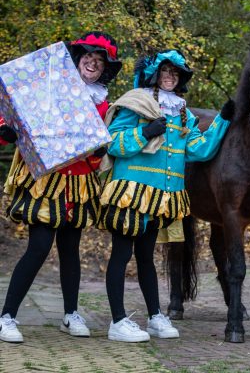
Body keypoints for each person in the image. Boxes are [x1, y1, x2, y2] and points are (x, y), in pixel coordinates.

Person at [100, 49, 234, 342]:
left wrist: (222, 120)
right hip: (131, 193)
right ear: (155, 75)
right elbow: (113, 144)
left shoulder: (181, 111)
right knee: (121, 256)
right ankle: (117, 321)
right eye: (165, 72)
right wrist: (145, 133)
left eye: (175, 73)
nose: (170, 77)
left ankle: (154, 317)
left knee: (146, 257)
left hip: (160, 197)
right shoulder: (136, 102)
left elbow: (199, 149)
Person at [0, 31, 122, 343]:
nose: (92, 64)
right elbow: (17, 112)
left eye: (98, 61)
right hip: (47, 179)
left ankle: (70, 314)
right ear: (78, 60)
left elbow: (97, 152)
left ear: (103, 68)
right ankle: (6, 316)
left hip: (79, 183)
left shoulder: (102, 102)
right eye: (88, 58)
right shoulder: (50, 87)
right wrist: (6, 132)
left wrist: (98, 154)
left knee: (70, 250)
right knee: (39, 247)